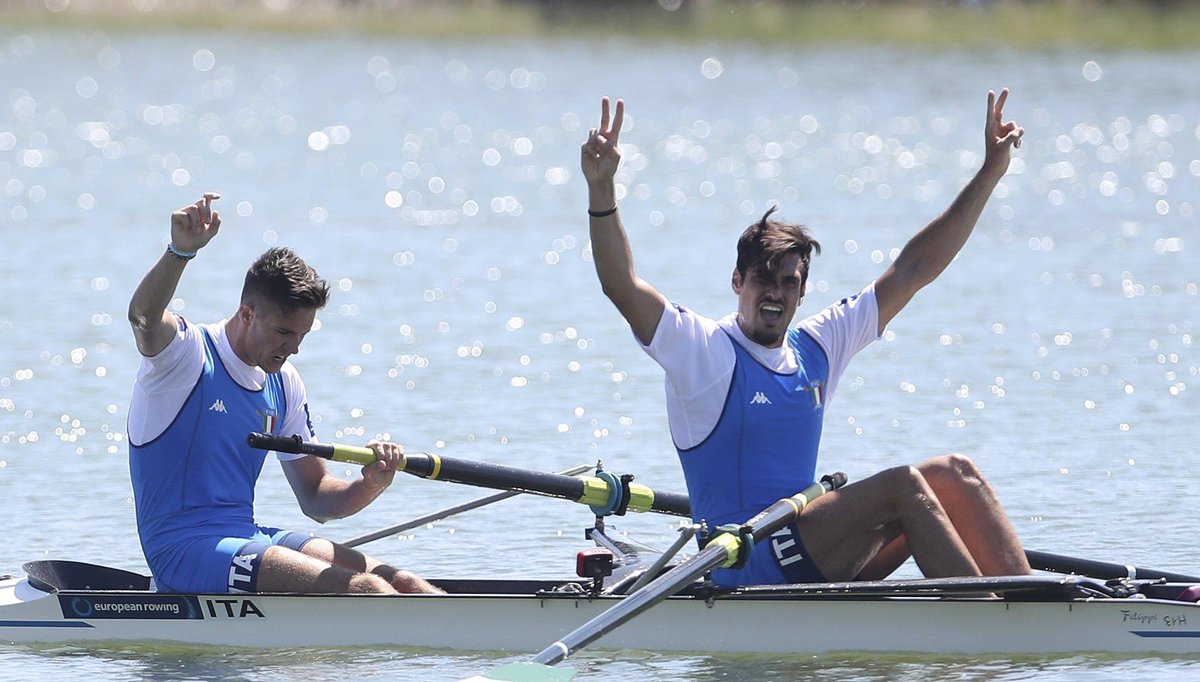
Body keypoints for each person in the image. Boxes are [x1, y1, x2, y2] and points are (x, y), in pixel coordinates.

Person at [581, 91, 1032, 586]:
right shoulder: (703, 351)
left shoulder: (818, 347)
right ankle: (985, 617)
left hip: (803, 548)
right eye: (761, 279)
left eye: (788, 282)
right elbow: (620, 285)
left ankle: (1037, 611)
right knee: (904, 487)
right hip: (742, 563)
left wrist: (990, 173)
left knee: (955, 473)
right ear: (737, 282)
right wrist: (602, 192)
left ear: (803, 292)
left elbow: (914, 268)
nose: (774, 294)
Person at [127, 192, 440, 594]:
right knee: (368, 591)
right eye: (284, 333)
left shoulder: (283, 382)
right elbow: (143, 317)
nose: (294, 347)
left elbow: (316, 499)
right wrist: (179, 253)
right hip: (183, 549)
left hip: (247, 536)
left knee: (403, 582)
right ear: (246, 313)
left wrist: (372, 483)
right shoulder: (185, 354)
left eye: (303, 335)